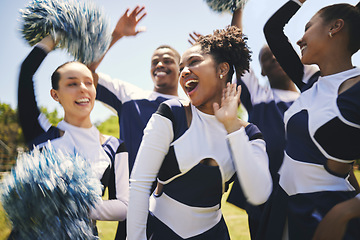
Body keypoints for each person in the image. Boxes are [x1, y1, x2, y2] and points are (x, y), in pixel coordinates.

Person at [127, 25, 273, 240]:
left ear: (222, 69)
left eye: (194, 62)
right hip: (160, 230)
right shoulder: (172, 113)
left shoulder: (249, 133)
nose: (184, 71)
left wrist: (231, 126)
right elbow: (140, 184)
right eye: (182, 66)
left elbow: (259, 193)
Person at [257, 0, 360, 239]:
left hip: (329, 214)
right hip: (283, 208)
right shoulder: (309, 82)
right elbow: (272, 30)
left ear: (335, 27)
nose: (300, 39)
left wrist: (349, 208)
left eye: (307, 27)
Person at [17, 35, 129, 239]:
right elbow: (26, 73)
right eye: (72, 83)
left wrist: (69, 203)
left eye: (88, 83)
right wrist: (55, 35)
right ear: (55, 94)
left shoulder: (114, 147)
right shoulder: (41, 133)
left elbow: (124, 206)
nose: (83, 89)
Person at [89, 5, 181, 174]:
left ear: (181, 69)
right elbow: (82, 73)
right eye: (154, 62)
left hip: (175, 197)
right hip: (128, 196)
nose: (159, 64)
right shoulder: (127, 95)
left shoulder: (193, 106)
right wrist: (116, 35)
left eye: (167, 61)